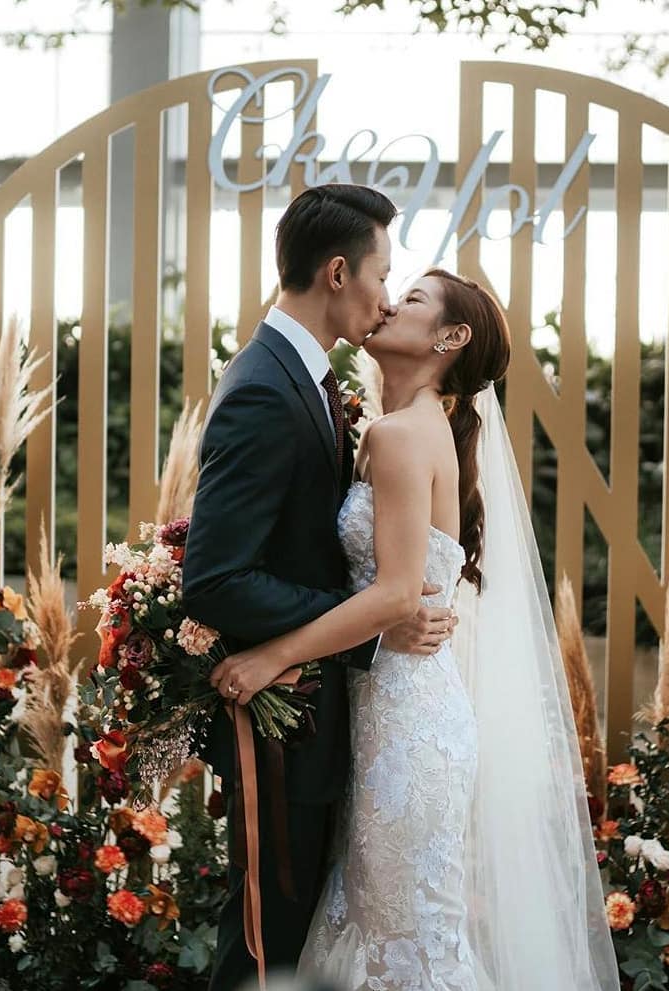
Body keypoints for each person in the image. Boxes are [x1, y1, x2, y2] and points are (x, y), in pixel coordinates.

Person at [215, 270, 621, 990]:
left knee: (407, 950)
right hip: (388, 716)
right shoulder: (395, 430)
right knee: (382, 936)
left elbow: (397, 594)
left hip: (406, 738)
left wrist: (267, 655)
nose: (388, 302)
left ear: (449, 337)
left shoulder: (401, 434)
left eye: (411, 300)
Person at [182, 185, 458, 991]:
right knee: (269, 949)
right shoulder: (267, 387)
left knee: (297, 942)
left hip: (334, 717)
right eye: (383, 272)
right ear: (337, 272)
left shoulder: (311, 380)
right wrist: (371, 626)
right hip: (285, 728)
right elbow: (217, 577)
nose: (386, 293)